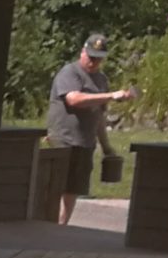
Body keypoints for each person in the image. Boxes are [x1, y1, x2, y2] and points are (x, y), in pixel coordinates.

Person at [46, 31, 135, 224]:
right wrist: (111, 96)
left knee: (74, 188)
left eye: (98, 59)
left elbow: (99, 116)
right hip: (62, 139)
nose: (93, 62)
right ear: (82, 52)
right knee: (54, 186)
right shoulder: (70, 72)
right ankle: (47, 224)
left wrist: (106, 146)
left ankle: (62, 225)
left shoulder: (101, 80)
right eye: (91, 57)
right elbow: (74, 99)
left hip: (85, 142)